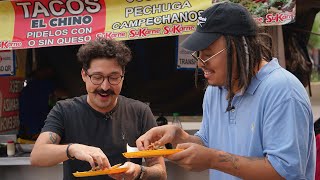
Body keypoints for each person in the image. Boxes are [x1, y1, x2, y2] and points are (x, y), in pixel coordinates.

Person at [137, 2, 315, 180]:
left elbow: (284, 172)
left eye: (207, 54)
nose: (200, 63)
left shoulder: (282, 90)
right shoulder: (215, 91)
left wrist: (214, 160)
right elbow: (208, 143)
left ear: (239, 47)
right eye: (198, 55)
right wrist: (178, 136)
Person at [30, 38, 166, 180]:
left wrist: (140, 171)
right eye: (97, 77)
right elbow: (37, 155)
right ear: (84, 75)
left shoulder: (140, 112)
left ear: (123, 76)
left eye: (113, 78)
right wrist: (73, 149)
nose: (105, 87)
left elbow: (161, 172)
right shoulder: (64, 110)